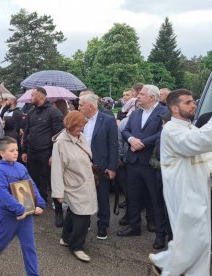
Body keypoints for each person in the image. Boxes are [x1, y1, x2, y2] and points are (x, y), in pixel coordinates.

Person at [149, 89, 211, 276]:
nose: (193, 105)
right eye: (188, 102)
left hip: (199, 190)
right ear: (174, 108)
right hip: (183, 192)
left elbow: (206, 156)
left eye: (193, 101)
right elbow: (198, 142)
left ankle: (165, 263)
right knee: (196, 239)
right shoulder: (170, 129)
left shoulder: (190, 128)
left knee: (200, 240)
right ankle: (166, 266)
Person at [0, 136, 45, 276]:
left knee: (29, 247)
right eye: (11, 150)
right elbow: (3, 194)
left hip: (25, 215)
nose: (16, 152)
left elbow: (31, 184)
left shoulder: (21, 166)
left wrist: (39, 202)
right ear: (2, 153)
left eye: (16, 149)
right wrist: (19, 209)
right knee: (1, 244)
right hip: (8, 215)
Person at [118, 85, 169, 250]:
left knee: (155, 200)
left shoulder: (164, 112)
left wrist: (143, 143)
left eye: (141, 94)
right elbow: (125, 130)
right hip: (133, 161)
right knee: (133, 196)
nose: (138, 96)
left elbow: (164, 133)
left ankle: (160, 235)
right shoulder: (137, 112)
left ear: (152, 97)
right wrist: (131, 139)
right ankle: (134, 226)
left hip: (150, 163)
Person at [51, 111, 98, 262]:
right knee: (82, 216)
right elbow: (57, 169)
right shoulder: (60, 143)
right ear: (69, 126)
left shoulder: (81, 137)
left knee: (74, 211)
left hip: (86, 181)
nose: (81, 130)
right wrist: (58, 192)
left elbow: (85, 155)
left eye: (82, 127)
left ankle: (66, 238)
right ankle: (77, 246)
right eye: (78, 127)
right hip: (73, 185)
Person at [21, 87, 64, 227]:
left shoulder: (54, 112)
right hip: (32, 151)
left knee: (49, 180)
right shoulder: (31, 112)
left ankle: (56, 211)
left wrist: (53, 154)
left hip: (47, 152)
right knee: (32, 178)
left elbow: (59, 135)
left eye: (32, 94)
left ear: (39, 96)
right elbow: (27, 132)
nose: (30, 97)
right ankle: (34, 204)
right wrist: (24, 150)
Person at [79, 94, 118, 240]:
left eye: (81, 104)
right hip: (83, 165)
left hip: (101, 166)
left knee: (102, 197)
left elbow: (113, 145)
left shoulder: (107, 120)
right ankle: (85, 221)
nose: (79, 107)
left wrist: (112, 167)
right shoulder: (81, 120)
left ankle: (103, 226)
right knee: (85, 196)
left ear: (91, 106)